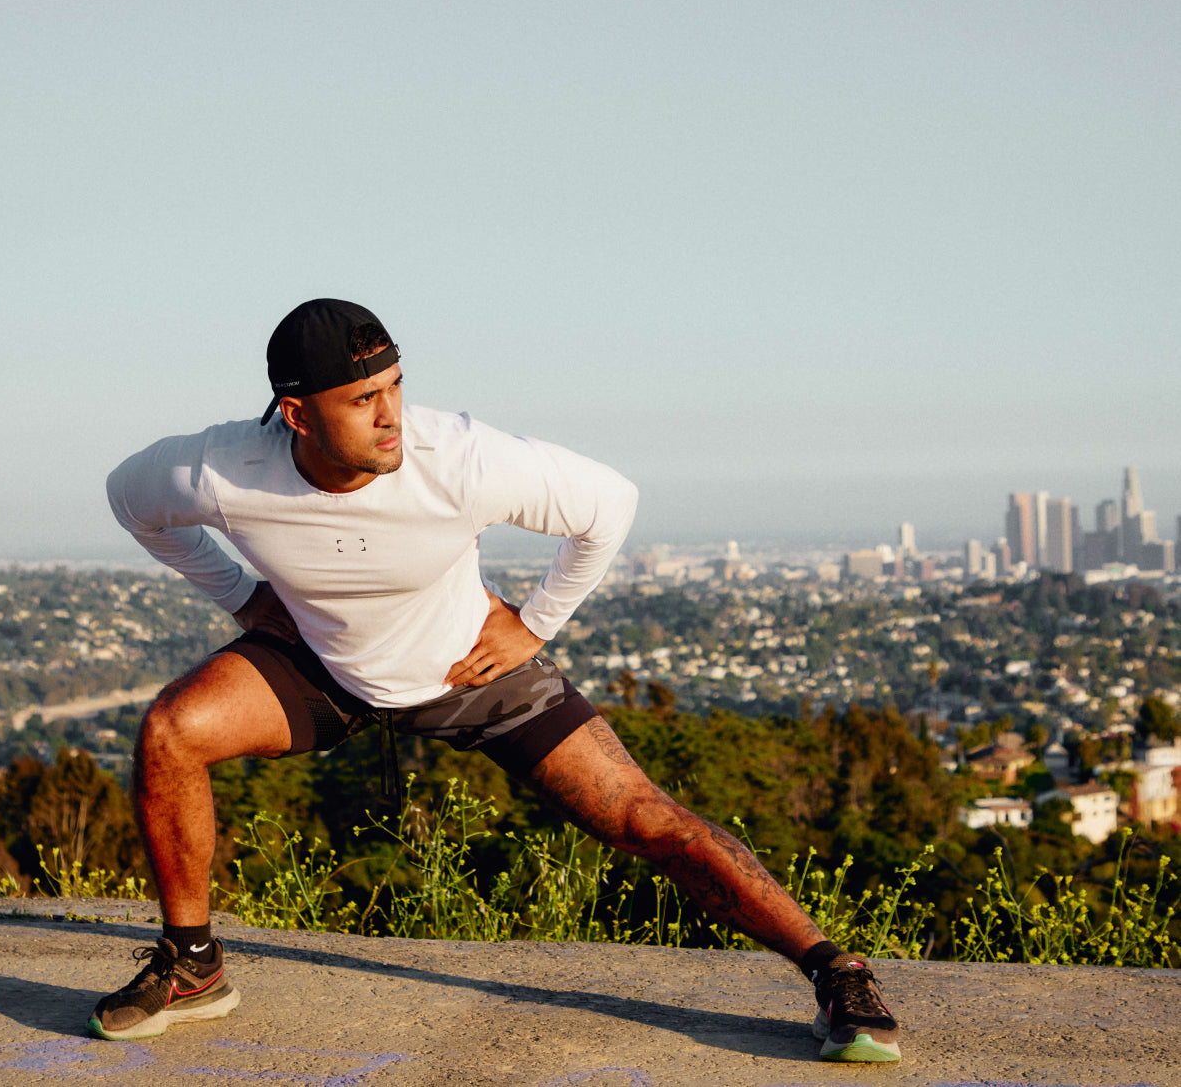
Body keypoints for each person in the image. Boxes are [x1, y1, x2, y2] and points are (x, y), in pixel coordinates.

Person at [91, 298, 901, 1063]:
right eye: (363, 398)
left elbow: (609, 505)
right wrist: (240, 597)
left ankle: (836, 973)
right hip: (323, 663)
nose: (391, 414)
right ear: (298, 414)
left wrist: (535, 622)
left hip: (469, 670)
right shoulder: (221, 468)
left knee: (644, 819)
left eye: (396, 386)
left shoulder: (459, 458)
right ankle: (194, 967)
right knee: (172, 730)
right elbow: (128, 499)